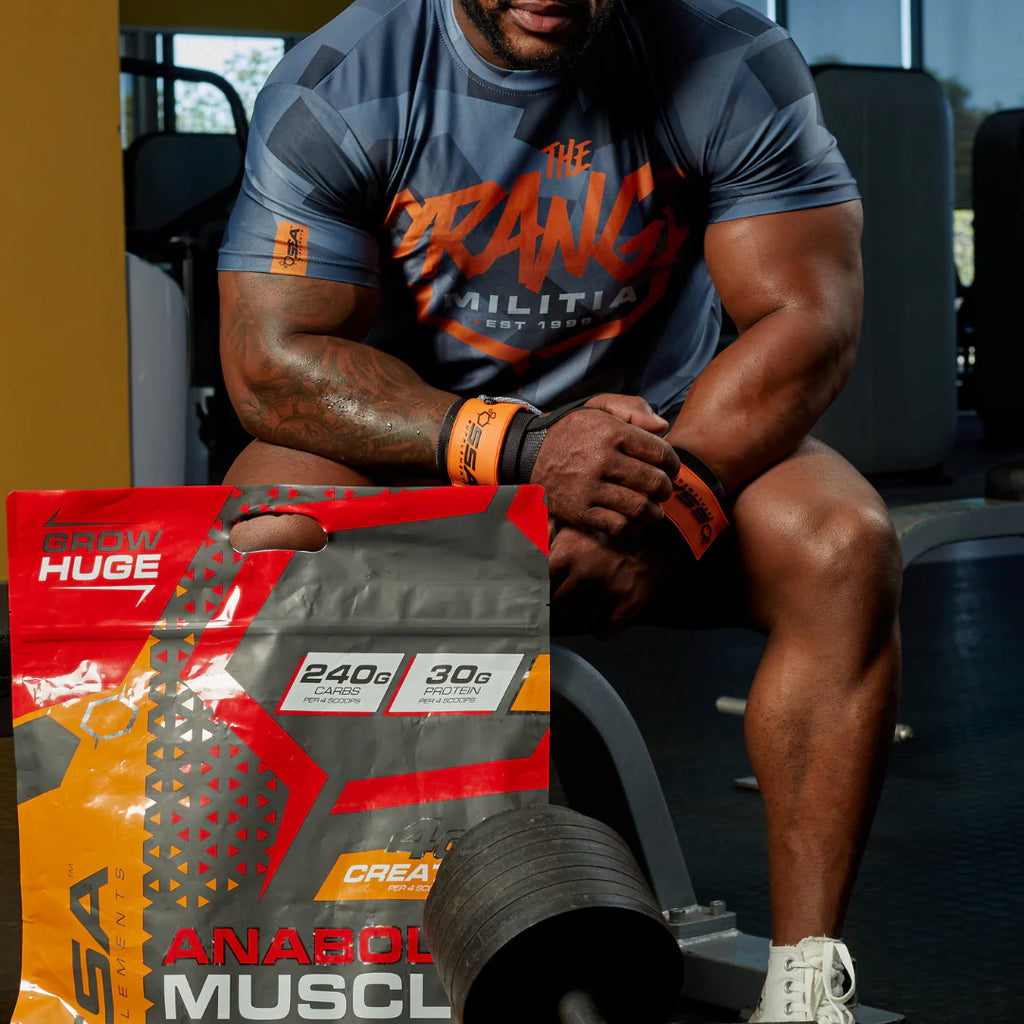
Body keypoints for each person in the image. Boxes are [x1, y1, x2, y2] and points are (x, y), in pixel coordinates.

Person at [216, 1, 903, 1021]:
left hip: (672, 446)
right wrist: (529, 451)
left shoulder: (727, 62)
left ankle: (804, 983)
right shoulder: (343, 83)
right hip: (431, 458)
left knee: (843, 545)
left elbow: (808, 318)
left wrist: (667, 509)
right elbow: (272, 364)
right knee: (260, 531)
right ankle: (322, 957)